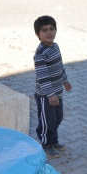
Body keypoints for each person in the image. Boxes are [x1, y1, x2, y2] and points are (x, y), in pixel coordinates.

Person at [33, 15, 72, 158]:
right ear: (38, 34)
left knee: (58, 117)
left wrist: (65, 81)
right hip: (45, 95)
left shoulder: (55, 47)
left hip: (57, 92)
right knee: (47, 121)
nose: (49, 32)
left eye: (51, 29)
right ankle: (46, 145)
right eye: (44, 30)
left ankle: (54, 140)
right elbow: (42, 77)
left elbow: (59, 66)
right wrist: (50, 94)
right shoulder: (40, 54)